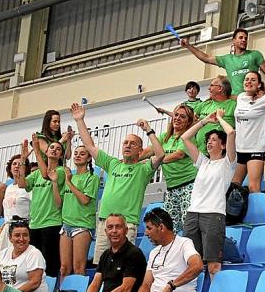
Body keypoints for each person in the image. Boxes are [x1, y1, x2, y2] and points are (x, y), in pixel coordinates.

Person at [71, 102, 165, 263]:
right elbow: (89, 146)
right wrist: (80, 120)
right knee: (101, 268)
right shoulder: (113, 163)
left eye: (133, 143)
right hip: (105, 223)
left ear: (140, 151)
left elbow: (160, 154)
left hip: (127, 224)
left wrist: (148, 130)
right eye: (125, 143)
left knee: (123, 267)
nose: (128, 145)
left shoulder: (143, 169)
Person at [181, 110, 236, 278]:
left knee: (213, 265)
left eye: (214, 140)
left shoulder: (228, 163)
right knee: (191, 264)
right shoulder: (202, 162)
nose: (209, 143)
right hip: (193, 214)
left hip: (213, 215)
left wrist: (219, 117)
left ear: (223, 145)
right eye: (208, 140)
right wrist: (204, 121)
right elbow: (185, 138)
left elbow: (231, 132)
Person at [141, 104, 197, 234]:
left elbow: (179, 154)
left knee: (188, 226)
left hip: (188, 186)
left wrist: (154, 160)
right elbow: (149, 150)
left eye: (182, 116)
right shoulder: (165, 136)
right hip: (171, 188)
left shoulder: (188, 137)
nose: (177, 118)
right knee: (170, 228)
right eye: (176, 115)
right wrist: (132, 160)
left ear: (188, 121)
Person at [16, 137, 65, 278]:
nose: (54, 150)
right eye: (52, 147)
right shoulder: (36, 173)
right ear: (47, 151)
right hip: (35, 224)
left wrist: (36, 149)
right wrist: (23, 160)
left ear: (61, 155)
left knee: (50, 267)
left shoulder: (61, 171)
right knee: (34, 266)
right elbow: (21, 184)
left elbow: (46, 174)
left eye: (58, 149)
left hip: (52, 223)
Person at [181, 28, 265, 95]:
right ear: (233, 40)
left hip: (253, 97)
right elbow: (205, 58)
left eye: (246, 38)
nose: (244, 40)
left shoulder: (254, 54)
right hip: (235, 99)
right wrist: (189, 46)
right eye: (241, 38)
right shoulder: (227, 59)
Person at [56, 146, 99, 277]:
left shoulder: (92, 178)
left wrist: (69, 183)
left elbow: (85, 200)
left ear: (89, 158)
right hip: (66, 225)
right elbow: (59, 203)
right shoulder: (70, 177)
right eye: (75, 153)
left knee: (78, 267)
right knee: (64, 268)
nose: (78, 156)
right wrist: (54, 183)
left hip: (82, 225)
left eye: (82, 154)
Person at [231, 71, 265, 193]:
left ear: (259, 84)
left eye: (253, 80)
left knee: (253, 187)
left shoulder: (264, 98)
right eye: (246, 79)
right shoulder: (241, 97)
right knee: (233, 186)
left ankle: (258, 212)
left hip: (256, 149)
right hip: (240, 149)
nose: (249, 82)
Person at [0, 219, 49, 292]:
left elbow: (34, 283)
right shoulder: (3, 253)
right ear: (10, 238)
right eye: (17, 235)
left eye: (25, 235)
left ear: (29, 237)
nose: (21, 239)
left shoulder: (34, 254)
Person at [0, 154, 31, 254]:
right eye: (14, 164)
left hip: (21, 230)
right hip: (7, 229)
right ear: (10, 168)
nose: (17, 166)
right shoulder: (9, 187)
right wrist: (2, 227)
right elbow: (8, 212)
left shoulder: (29, 186)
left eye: (20, 164)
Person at [190, 76, 237, 154]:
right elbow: (186, 119)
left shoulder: (234, 105)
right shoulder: (204, 104)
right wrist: (193, 121)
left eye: (212, 85)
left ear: (220, 88)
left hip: (221, 155)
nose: (209, 88)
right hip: (200, 153)